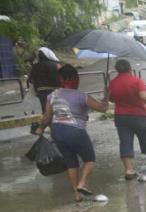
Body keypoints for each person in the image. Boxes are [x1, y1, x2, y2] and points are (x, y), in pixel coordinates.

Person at [35, 64, 109, 202]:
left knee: (71, 163)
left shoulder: (52, 95)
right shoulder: (81, 96)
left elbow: (47, 117)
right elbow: (102, 109)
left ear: (61, 80)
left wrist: (41, 128)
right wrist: (106, 96)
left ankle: (77, 194)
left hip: (57, 131)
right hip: (75, 130)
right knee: (89, 159)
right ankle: (82, 183)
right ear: (76, 79)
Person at [108, 58, 146, 180]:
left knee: (125, 141)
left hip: (121, 116)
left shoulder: (112, 83)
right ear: (130, 68)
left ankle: (129, 169)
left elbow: (111, 99)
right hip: (139, 115)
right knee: (145, 139)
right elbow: (144, 97)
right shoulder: (137, 81)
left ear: (116, 70)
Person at [27, 47, 61, 114]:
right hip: (56, 91)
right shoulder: (56, 65)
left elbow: (30, 80)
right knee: (57, 110)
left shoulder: (35, 66)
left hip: (42, 92)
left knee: (46, 111)